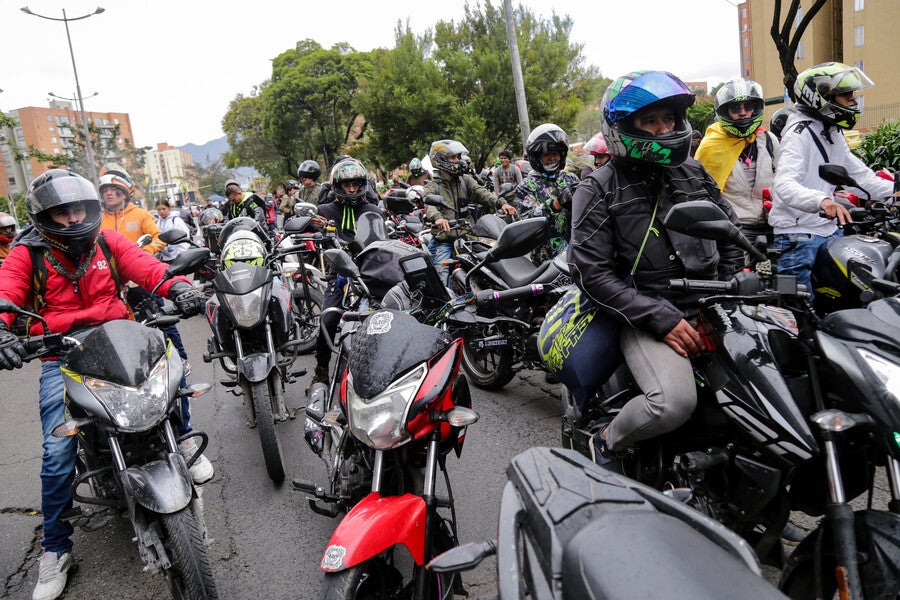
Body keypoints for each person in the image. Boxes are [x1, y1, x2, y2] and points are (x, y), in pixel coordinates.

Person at [0, 169, 206, 600]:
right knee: (58, 453)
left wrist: (179, 288)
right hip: (64, 355)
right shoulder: (26, 254)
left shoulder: (108, 242)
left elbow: (148, 268)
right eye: (62, 213)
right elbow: (7, 295)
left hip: (121, 340)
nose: (73, 220)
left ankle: (182, 440)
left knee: (170, 390)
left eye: (79, 209)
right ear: (43, 217)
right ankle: (55, 548)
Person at [567, 70, 744, 470]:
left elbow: (731, 234)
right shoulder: (597, 188)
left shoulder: (694, 173)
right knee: (672, 402)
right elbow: (590, 272)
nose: (664, 129)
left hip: (714, 304)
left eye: (669, 119)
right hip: (645, 313)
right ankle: (606, 442)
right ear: (621, 128)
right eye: (650, 121)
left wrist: (731, 289)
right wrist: (660, 317)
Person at [769, 62, 893, 299]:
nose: (853, 101)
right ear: (821, 97)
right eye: (846, 95)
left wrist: (894, 189)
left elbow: (861, 177)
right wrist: (823, 201)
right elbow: (783, 185)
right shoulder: (799, 135)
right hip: (799, 236)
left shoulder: (832, 133)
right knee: (800, 309)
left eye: (852, 95)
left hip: (829, 231)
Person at [307, 157, 385, 387]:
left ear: (363, 185)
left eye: (356, 184)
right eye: (346, 185)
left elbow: (383, 238)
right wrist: (313, 225)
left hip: (371, 271)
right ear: (337, 186)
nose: (351, 188)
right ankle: (321, 369)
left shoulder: (373, 209)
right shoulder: (324, 210)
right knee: (328, 318)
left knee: (389, 315)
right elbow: (310, 229)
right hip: (339, 274)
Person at [695, 77, 778, 243]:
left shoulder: (768, 139)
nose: (743, 113)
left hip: (773, 224)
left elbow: (785, 178)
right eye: (735, 108)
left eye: (748, 106)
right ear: (725, 112)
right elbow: (701, 192)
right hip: (734, 228)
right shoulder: (711, 146)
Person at [423, 139, 518, 284]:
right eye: (453, 157)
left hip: (467, 236)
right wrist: (438, 218)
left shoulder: (464, 180)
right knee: (441, 278)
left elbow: (482, 192)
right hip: (444, 240)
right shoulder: (433, 186)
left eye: (458, 157)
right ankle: (446, 304)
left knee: (487, 267)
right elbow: (429, 205)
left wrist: (501, 203)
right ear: (440, 159)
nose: (458, 160)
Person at [514, 123, 580, 265]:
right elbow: (526, 224)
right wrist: (556, 204)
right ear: (536, 157)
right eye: (546, 154)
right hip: (546, 262)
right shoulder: (525, 187)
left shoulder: (571, 179)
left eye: (555, 154)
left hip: (576, 256)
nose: (552, 158)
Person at [98, 163, 164, 255]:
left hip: (137, 265)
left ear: (124, 194)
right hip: (109, 268)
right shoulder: (98, 221)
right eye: (105, 190)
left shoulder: (141, 215)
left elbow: (159, 237)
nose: (109, 193)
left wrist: (147, 251)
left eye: (113, 189)